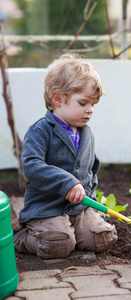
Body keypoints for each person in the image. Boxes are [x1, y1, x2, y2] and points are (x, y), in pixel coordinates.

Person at [12, 53, 117, 259]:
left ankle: (71, 229)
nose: (90, 110)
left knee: (102, 238)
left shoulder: (86, 133)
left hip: (78, 207)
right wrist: (67, 183)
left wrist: (92, 203)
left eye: (93, 105)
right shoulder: (41, 131)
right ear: (58, 98)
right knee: (58, 245)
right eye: (83, 103)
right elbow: (32, 166)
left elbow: (90, 171)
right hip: (47, 207)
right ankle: (23, 234)